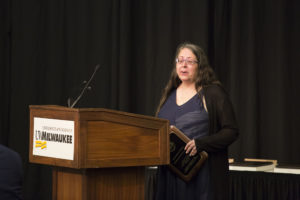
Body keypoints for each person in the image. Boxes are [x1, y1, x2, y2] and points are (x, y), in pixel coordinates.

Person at [155, 42, 239, 200]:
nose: (183, 65)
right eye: (180, 61)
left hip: (201, 176)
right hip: (168, 176)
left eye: (189, 61)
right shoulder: (169, 93)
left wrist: (201, 144)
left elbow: (231, 131)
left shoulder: (213, 93)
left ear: (200, 66)